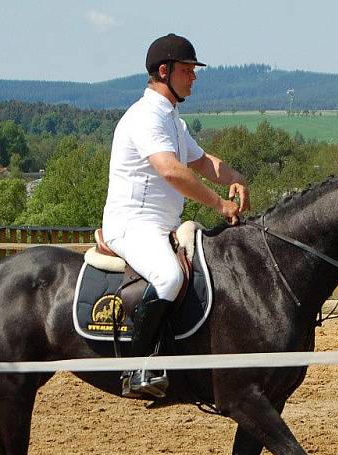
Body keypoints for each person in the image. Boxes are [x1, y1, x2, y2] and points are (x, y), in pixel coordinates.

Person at [101, 33, 250, 399]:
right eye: (187, 71)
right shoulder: (144, 117)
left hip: (162, 227)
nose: (193, 77)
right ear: (164, 72)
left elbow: (201, 162)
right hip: (132, 225)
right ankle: (136, 369)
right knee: (168, 277)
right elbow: (170, 170)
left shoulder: (173, 120)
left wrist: (235, 177)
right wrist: (219, 204)